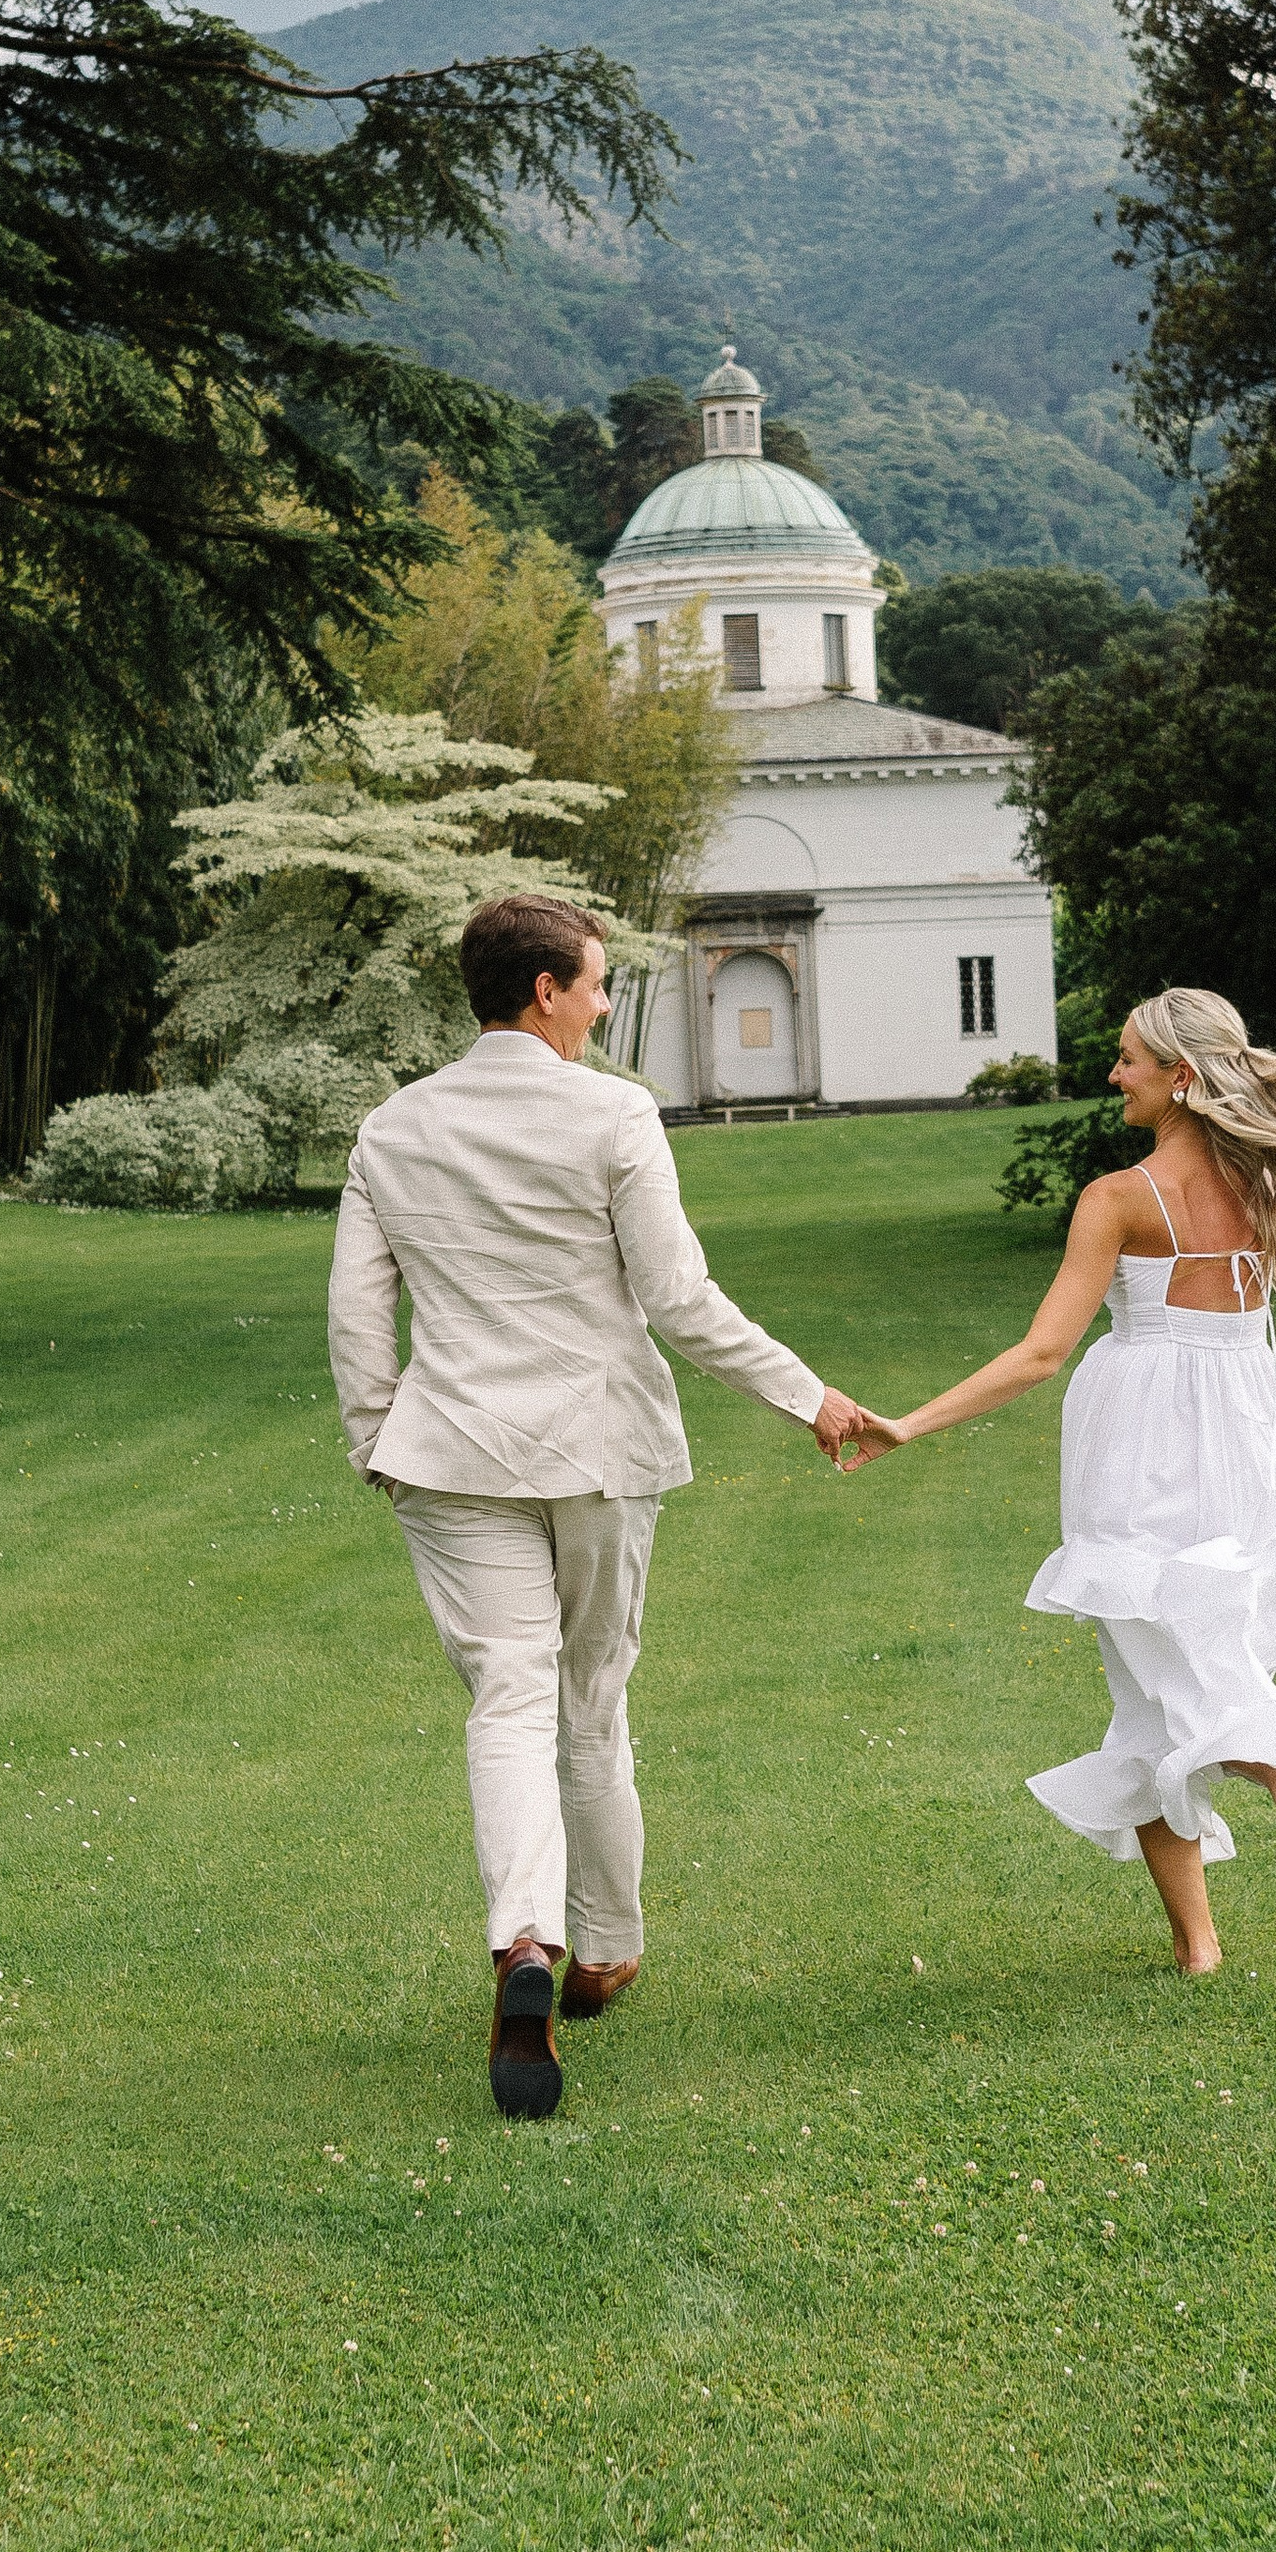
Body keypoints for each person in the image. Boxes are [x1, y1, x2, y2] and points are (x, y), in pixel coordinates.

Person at [329, 893, 870, 2116]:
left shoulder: (393, 1128)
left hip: (452, 1450)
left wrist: (377, 1437)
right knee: (592, 1694)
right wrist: (812, 1398)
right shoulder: (615, 1112)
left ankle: (524, 1940)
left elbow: (361, 1312)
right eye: (597, 982)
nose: (607, 1000)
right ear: (544, 993)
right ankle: (607, 1945)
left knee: (510, 1697)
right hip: (599, 1450)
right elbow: (677, 1300)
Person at [840, 988, 1276, 1966]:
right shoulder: (1273, 1191)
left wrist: (910, 1423)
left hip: (1145, 1444)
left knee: (1168, 1676)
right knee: (1162, 1690)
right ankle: (1196, 1944)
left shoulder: (1120, 1199)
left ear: (1180, 1076)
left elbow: (1042, 1352)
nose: (1112, 1073)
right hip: (1254, 1435)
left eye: (1127, 1058)